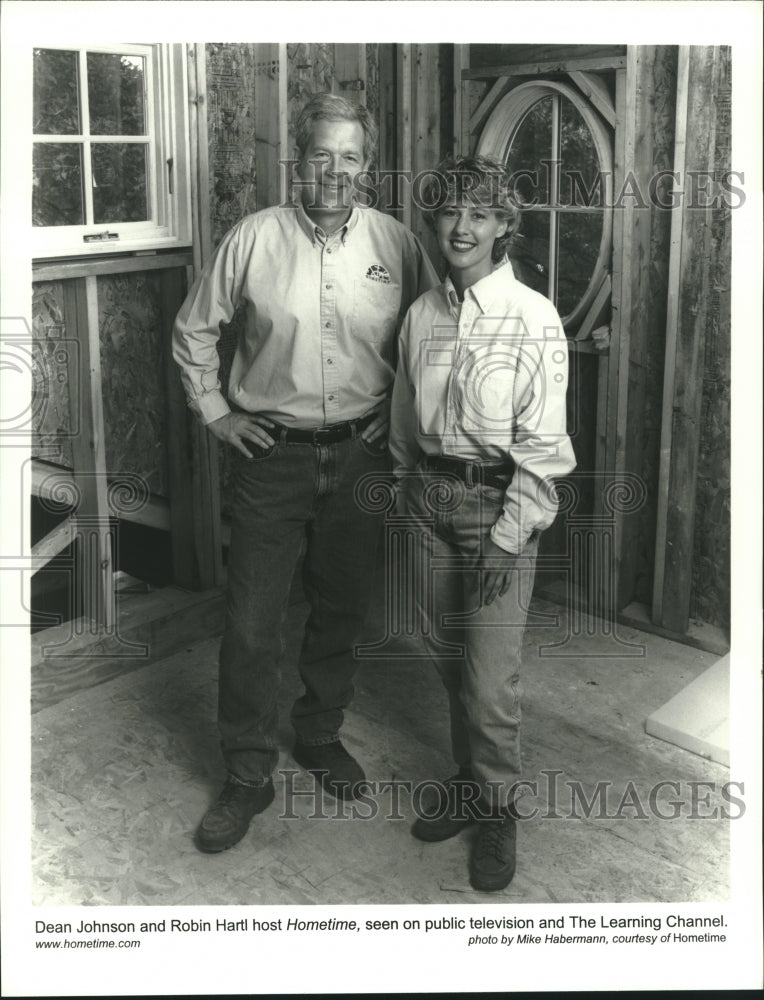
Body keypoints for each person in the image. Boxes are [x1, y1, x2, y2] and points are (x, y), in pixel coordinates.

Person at [173, 93, 438, 853]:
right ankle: (248, 771)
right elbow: (194, 330)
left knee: (340, 609)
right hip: (273, 460)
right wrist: (219, 412)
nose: (333, 170)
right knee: (252, 622)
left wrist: (408, 442)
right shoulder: (253, 239)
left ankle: (319, 736)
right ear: (298, 159)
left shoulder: (395, 242)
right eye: (319, 154)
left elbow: (427, 340)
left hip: (363, 456)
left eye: (348, 156)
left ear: (367, 165)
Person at [389, 154, 576, 892]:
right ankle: (472, 784)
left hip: (498, 512)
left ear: (503, 225)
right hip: (428, 504)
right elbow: (403, 412)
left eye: (479, 213)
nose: (461, 226)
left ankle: (498, 810)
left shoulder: (533, 318)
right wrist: (407, 490)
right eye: (449, 212)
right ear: (434, 222)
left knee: (490, 681)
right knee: (449, 665)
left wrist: (509, 535)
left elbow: (544, 446)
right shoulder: (422, 315)